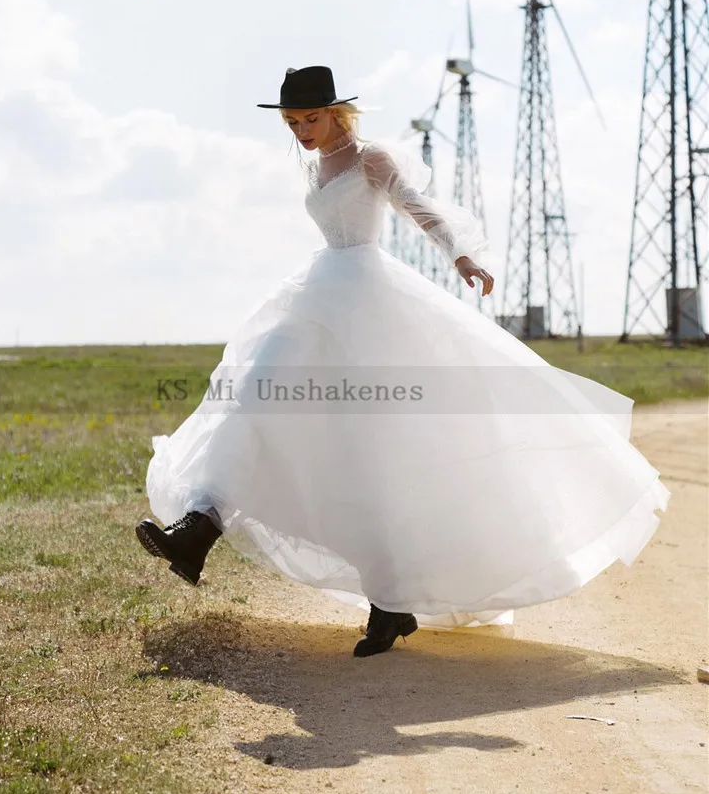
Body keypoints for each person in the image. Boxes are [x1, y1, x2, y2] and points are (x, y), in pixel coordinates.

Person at [136, 65, 670, 658]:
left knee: (370, 455)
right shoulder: (314, 165)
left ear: (337, 111)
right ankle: (197, 530)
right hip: (318, 296)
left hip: (366, 303)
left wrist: (462, 255)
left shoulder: (371, 157)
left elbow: (416, 205)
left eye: (310, 118)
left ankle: (391, 602)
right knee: (255, 397)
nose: (302, 131)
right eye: (292, 122)